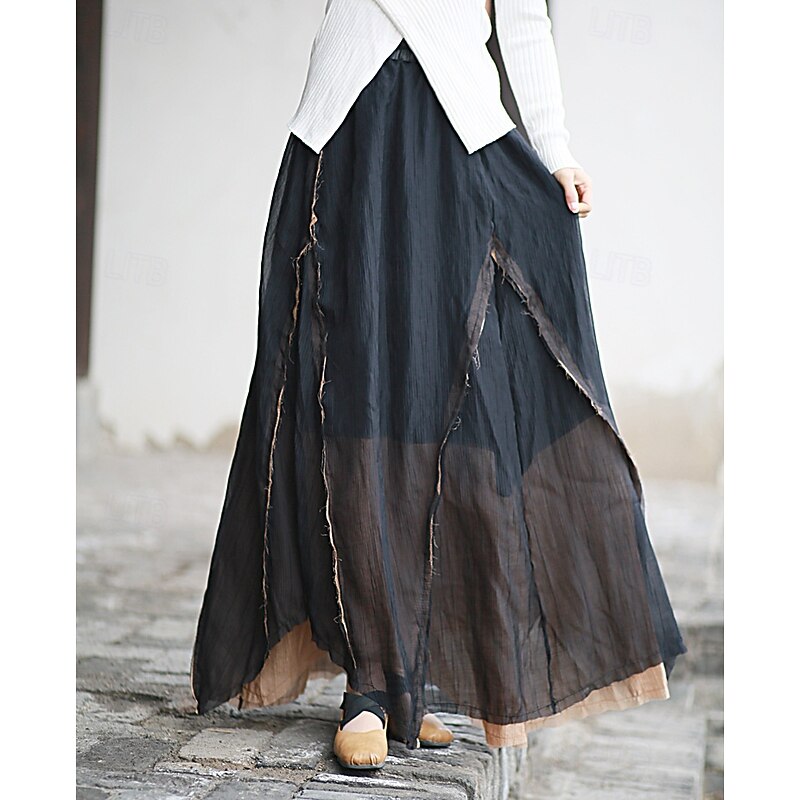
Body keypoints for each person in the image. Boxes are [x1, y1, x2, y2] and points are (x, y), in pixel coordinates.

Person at [190, 0, 687, 771]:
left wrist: (555, 149)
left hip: (457, 140)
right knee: (352, 405)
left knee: (443, 410)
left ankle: (407, 675)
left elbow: (524, 21)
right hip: (347, 131)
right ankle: (368, 685)